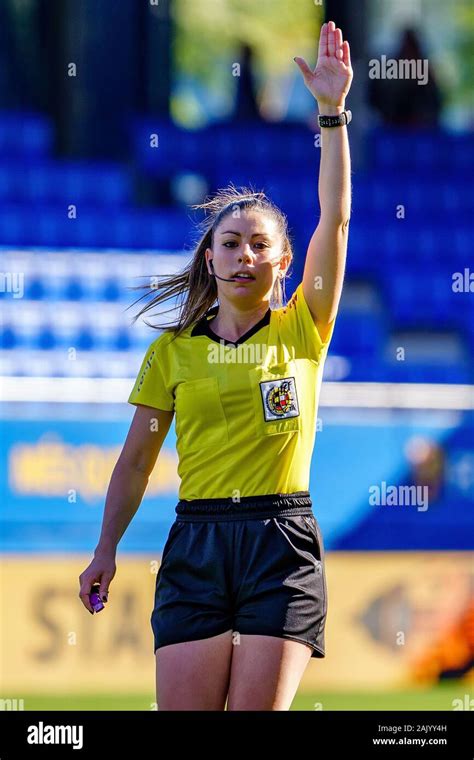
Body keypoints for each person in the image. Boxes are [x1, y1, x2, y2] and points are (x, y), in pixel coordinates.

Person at [78, 20, 352, 711]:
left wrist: (331, 114)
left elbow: (336, 218)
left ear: (284, 262)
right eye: (229, 243)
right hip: (196, 542)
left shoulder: (303, 330)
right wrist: (106, 548)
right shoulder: (172, 352)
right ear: (210, 258)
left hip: (280, 544)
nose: (242, 255)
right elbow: (136, 462)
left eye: (259, 244)